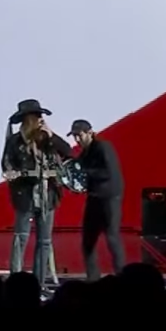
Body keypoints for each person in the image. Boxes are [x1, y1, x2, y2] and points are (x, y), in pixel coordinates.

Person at [2, 99, 72, 289]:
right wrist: (18, 175)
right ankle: (15, 281)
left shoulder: (47, 139)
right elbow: (7, 165)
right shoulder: (15, 142)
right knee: (21, 238)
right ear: (26, 119)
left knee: (45, 241)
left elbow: (68, 152)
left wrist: (51, 136)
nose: (40, 119)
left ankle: (39, 283)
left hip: (47, 195)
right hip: (25, 195)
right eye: (36, 116)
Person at [68, 119, 125, 281]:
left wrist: (85, 173)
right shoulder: (85, 153)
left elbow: (109, 172)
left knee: (112, 238)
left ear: (90, 133)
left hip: (109, 199)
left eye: (79, 135)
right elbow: (76, 167)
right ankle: (92, 279)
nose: (77, 140)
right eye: (74, 136)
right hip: (94, 198)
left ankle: (122, 277)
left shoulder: (103, 147)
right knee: (88, 241)